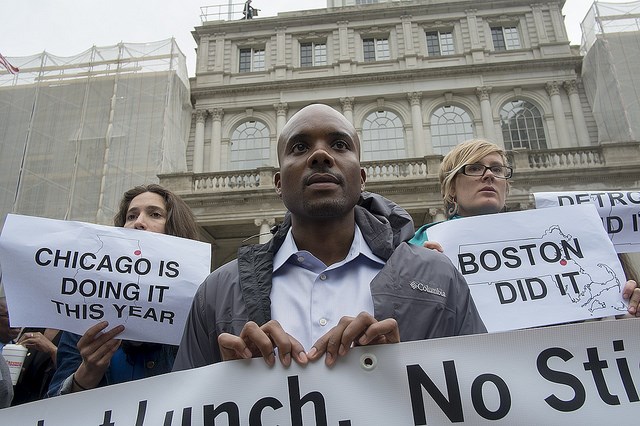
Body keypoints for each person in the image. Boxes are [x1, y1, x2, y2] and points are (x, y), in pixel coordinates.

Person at [173, 104, 486, 371]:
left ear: (361, 179)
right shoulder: (215, 294)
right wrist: (226, 385)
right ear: (279, 183)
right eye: (299, 147)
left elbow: (485, 394)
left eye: (339, 145)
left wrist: (406, 370)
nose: (320, 155)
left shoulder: (440, 277)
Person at [409, 138, 640, 316]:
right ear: (451, 189)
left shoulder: (550, 237)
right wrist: (419, 279)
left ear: (506, 188)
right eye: (475, 168)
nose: (489, 175)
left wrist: (625, 307)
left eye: (497, 170)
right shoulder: (422, 244)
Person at [48, 184, 201, 396]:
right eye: (131, 216)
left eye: (155, 214)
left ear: (176, 228)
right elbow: (53, 404)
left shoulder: (201, 305)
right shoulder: (86, 310)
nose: (138, 222)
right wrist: (86, 375)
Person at [11, 328, 61, 405]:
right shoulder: (32, 328)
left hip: (52, 404)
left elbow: (72, 374)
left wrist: (53, 350)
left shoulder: (74, 334)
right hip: (20, 403)